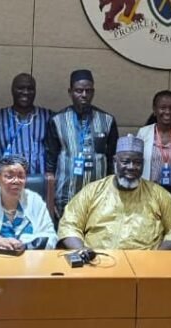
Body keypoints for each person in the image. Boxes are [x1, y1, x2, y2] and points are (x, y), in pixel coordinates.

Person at [58, 135, 171, 251]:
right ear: (115, 161)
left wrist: (159, 256)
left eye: (137, 163)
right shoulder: (93, 191)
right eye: (125, 162)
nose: (131, 167)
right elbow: (69, 223)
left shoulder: (158, 194)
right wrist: (82, 250)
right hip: (98, 264)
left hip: (145, 268)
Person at [45, 69, 119, 218]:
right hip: (66, 194)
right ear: (70, 91)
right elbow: (50, 162)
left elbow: (113, 160)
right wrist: (50, 199)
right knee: (66, 238)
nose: (84, 95)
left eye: (88, 91)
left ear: (93, 92)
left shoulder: (107, 120)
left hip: (98, 196)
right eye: (79, 91)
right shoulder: (57, 120)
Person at [0, 73, 53, 175]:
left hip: (39, 180)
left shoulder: (48, 117)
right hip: (6, 182)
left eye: (30, 88)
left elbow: (54, 152)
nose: (25, 92)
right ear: (12, 90)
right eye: (20, 88)